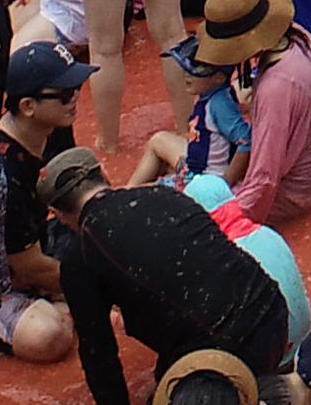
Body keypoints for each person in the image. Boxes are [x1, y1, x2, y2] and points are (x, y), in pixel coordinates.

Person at [38, 149, 296, 405]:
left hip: (227, 357)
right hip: (274, 315)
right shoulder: (164, 194)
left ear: (58, 214)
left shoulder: (79, 255)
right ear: (104, 175)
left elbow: (99, 353)